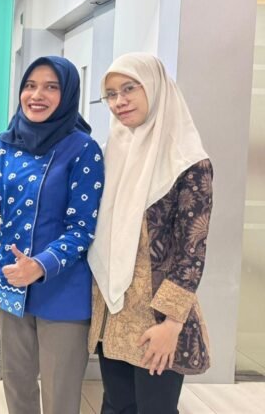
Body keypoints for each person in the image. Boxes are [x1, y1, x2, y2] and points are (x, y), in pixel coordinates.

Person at [0, 56, 104, 414]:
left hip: (62, 288)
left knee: (60, 393)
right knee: (17, 384)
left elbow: (83, 227)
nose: (37, 95)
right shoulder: (7, 142)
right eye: (30, 86)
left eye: (51, 87)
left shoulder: (83, 149)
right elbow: (5, 204)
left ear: (68, 94)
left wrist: (40, 265)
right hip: (12, 280)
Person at [87, 53, 213, 414]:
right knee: (116, 406)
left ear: (156, 88)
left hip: (157, 320)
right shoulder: (114, 152)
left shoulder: (188, 162)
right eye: (111, 94)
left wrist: (172, 324)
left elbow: (192, 250)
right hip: (114, 313)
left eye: (129, 88)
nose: (119, 101)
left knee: (155, 409)